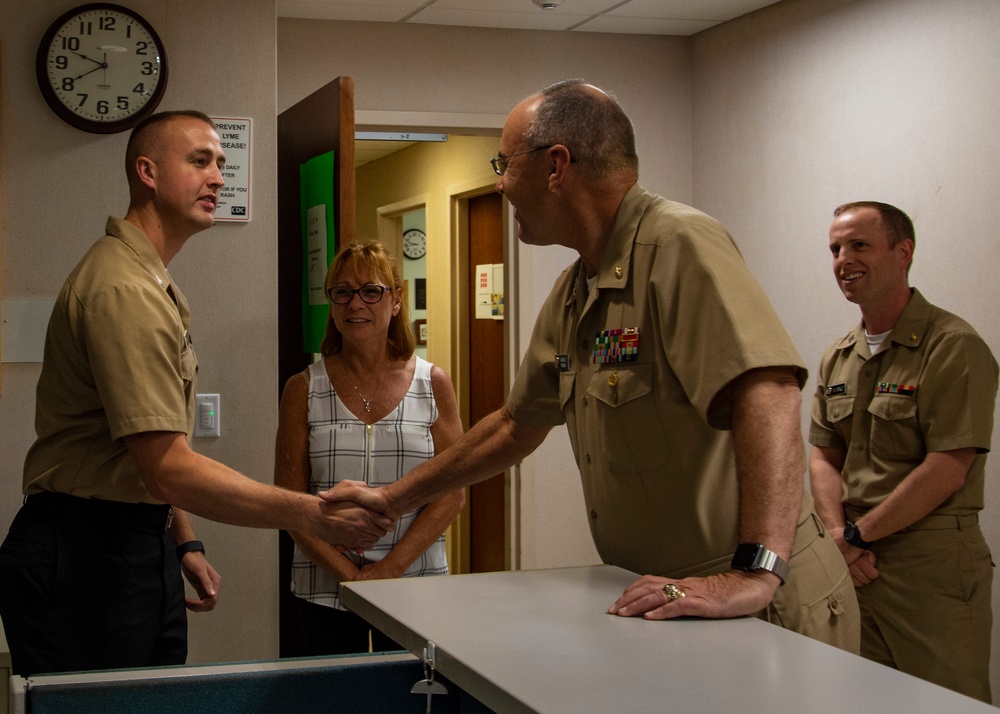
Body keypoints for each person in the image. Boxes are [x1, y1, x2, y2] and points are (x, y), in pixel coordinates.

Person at [328, 80, 859, 650]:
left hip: (757, 602)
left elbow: (770, 390)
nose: (501, 183)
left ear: (556, 165)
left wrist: (757, 570)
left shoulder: (678, 244)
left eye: (504, 164)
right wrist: (392, 499)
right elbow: (514, 425)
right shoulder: (575, 290)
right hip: (668, 596)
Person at [0, 110, 392, 677]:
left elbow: (148, 451)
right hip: (85, 555)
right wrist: (316, 515)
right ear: (147, 172)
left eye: (222, 164)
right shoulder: (123, 289)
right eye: (199, 161)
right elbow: (167, 468)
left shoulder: (153, 282)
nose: (217, 178)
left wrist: (182, 541)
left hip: (133, 540)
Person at [809, 201, 998, 702]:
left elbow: (947, 469)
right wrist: (836, 537)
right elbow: (824, 455)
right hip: (852, 564)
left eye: (859, 245)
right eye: (835, 248)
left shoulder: (953, 346)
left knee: (943, 702)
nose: (843, 259)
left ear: (903, 252)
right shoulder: (839, 356)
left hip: (927, 567)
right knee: (860, 700)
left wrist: (854, 537)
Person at [274, 241, 465, 655]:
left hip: (414, 582)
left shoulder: (433, 384)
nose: (354, 303)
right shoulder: (303, 388)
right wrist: (351, 577)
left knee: (411, 697)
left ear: (396, 300)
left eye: (370, 290)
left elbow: (451, 494)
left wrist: (391, 569)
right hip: (324, 587)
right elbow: (290, 503)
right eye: (342, 291)